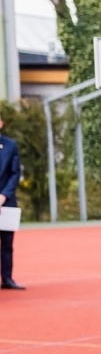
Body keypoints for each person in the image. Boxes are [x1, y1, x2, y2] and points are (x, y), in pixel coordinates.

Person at [0, 116, 21, 290]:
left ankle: (7, 278)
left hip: (6, 202)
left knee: (7, 243)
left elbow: (15, 173)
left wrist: (3, 195)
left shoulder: (10, 145)